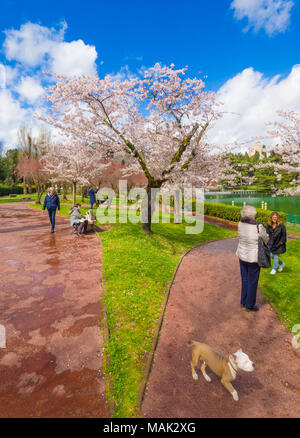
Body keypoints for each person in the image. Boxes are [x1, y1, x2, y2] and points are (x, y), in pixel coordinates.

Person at [236, 205, 269, 312]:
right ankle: (249, 305)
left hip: (242, 255)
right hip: (253, 257)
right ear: (253, 214)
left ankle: (243, 301)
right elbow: (266, 238)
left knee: (245, 279)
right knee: (252, 281)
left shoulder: (240, 223)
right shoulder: (258, 226)